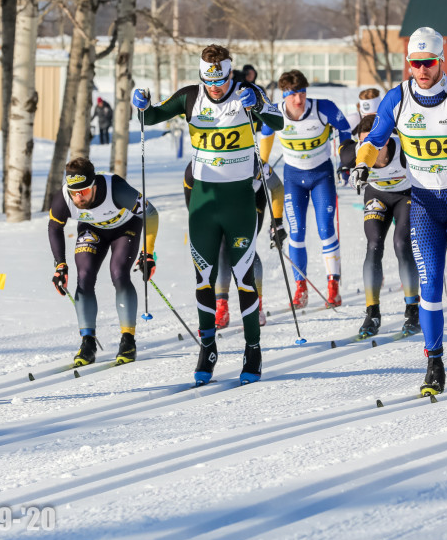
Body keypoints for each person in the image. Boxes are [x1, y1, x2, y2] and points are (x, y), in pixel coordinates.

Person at [351, 27, 447, 396]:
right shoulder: (398, 98)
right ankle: (434, 363)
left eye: (429, 62)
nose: (422, 70)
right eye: (416, 63)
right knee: (430, 289)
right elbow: (375, 139)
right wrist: (362, 162)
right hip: (423, 204)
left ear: (442, 61)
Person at [131, 44, 283, 385]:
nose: (214, 87)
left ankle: (253, 348)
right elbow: (151, 117)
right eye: (208, 80)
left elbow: (279, 122)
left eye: (220, 80)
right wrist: (139, 104)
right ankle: (208, 347)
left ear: (231, 73)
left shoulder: (247, 92)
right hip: (203, 204)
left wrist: (259, 105)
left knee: (244, 278)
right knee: (203, 279)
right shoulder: (190, 98)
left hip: (240, 202)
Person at [48, 158, 158, 366]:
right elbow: (54, 228)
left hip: (125, 228)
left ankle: (128, 340)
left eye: (84, 191)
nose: (78, 197)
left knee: (119, 273)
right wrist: (60, 264)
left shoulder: (115, 189)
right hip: (92, 230)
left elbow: (151, 214)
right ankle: (87, 342)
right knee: (85, 276)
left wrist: (148, 252)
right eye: (74, 192)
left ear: (94, 186)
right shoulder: (64, 197)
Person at [259, 70, 353, 309]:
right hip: (293, 179)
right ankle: (300, 288)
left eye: (301, 93)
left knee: (325, 229)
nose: (298, 100)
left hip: (321, 176)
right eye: (292, 95)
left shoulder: (324, 108)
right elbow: (266, 139)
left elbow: (345, 131)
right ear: (283, 94)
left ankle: (333, 288)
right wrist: (262, 164)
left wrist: (345, 160)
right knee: (297, 232)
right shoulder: (275, 112)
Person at [340, 114, 420, 336]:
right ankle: (372, 312)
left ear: (385, 139)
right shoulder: (355, 153)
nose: (367, 148)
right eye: (363, 142)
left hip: (406, 196)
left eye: (372, 142)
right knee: (374, 244)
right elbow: (344, 147)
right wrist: (342, 168)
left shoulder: (404, 149)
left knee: (401, 244)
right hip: (377, 196)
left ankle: (413, 310)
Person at [183, 161, 285, 329]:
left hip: (251, 204)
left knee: (242, 247)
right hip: (218, 206)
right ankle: (221, 305)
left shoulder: (251, 161)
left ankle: (256, 304)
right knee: (222, 246)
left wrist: (277, 222)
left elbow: (277, 187)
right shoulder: (196, 168)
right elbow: (191, 203)